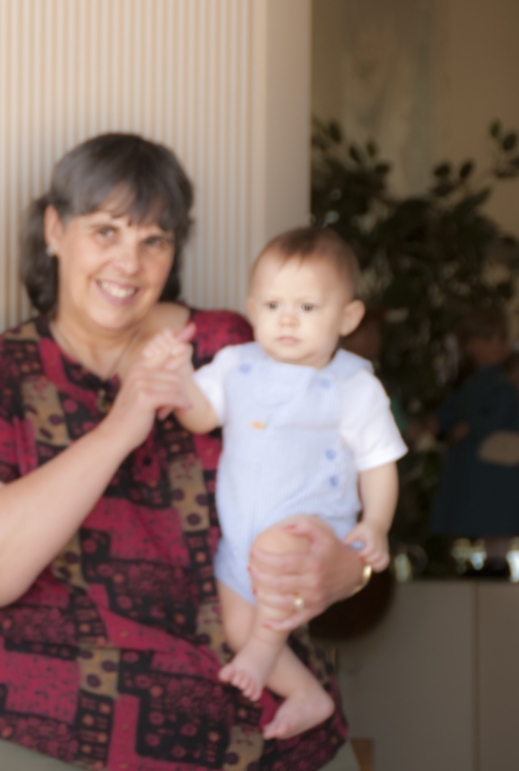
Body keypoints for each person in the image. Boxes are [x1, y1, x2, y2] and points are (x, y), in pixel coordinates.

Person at [0, 134, 369, 771]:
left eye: (154, 239)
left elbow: (353, 480)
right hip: (44, 726)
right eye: (105, 232)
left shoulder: (239, 350)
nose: (129, 264)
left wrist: (351, 569)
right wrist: (120, 427)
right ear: (54, 230)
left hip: (256, 727)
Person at [142, 227, 405, 739]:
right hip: (242, 535)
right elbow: (199, 416)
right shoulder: (236, 364)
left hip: (310, 526)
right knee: (238, 627)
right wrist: (177, 380)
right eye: (273, 304)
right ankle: (306, 693)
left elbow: (380, 462)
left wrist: (376, 523)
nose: (287, 319)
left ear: (347, 318)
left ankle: (265, 654)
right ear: (252, 308)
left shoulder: (354, 385)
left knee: (268, 582)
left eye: (308, 308)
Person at [429, 305, 519, 565]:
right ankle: (481, 562)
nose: (498, 345)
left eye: (501, 339)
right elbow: (453, 409)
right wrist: (435, 423)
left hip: (495, 465)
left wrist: (470, 428)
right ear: (469, 345)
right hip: (478, 465)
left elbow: (499, 414)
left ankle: (497, 562)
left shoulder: (503, 385)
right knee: (482, 513)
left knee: (497, 515)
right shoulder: (472, 383)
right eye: (489, 339)